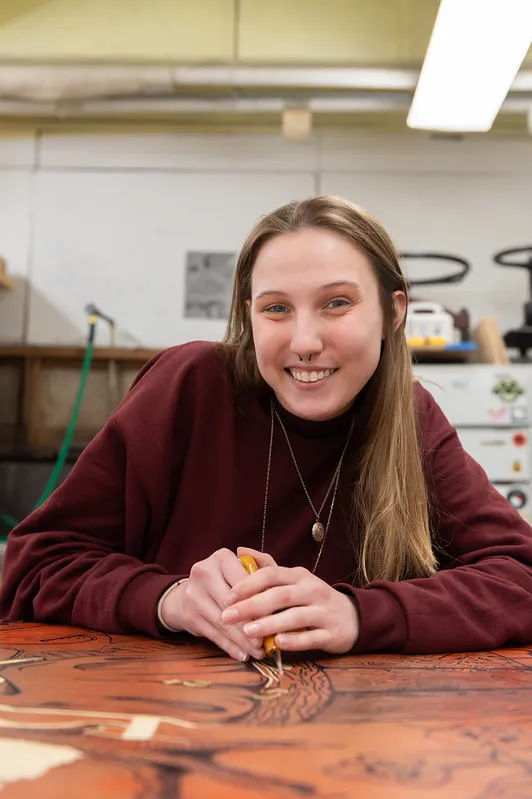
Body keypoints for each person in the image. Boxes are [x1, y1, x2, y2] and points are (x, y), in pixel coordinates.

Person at [2, 195, 532, 662]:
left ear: (394, 313)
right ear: (249, 317)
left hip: (354, 744)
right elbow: (34, 567)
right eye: (276, 308)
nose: (304, 340)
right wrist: (170, 601)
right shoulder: (188, 387)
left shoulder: (410, 419)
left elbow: (520, 576)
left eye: (337, 303)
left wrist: (357, 615)